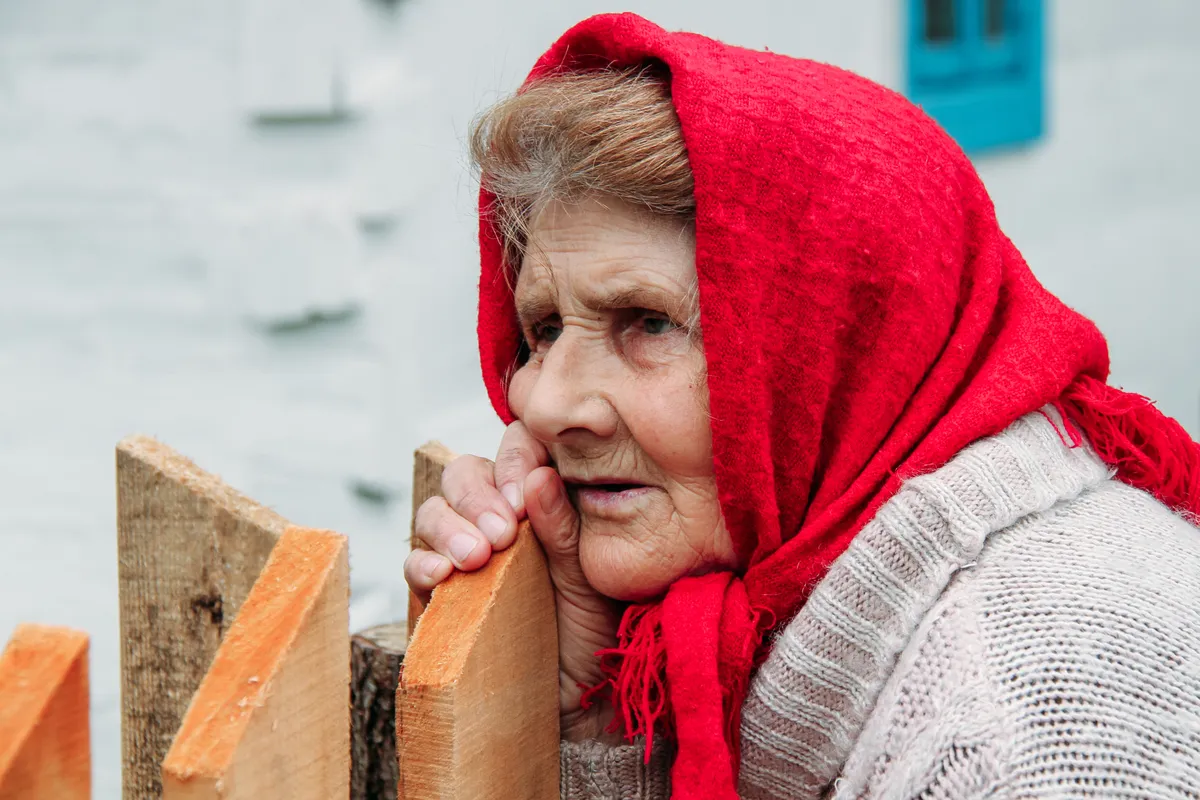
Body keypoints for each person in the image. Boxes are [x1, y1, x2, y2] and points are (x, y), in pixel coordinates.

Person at [404, 13, 1200, 799]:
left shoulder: (1022, 728)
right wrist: (600, 717)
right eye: (542, 329)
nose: (544, 403)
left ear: (845, 339)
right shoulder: (770, 621)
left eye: (647, 322)